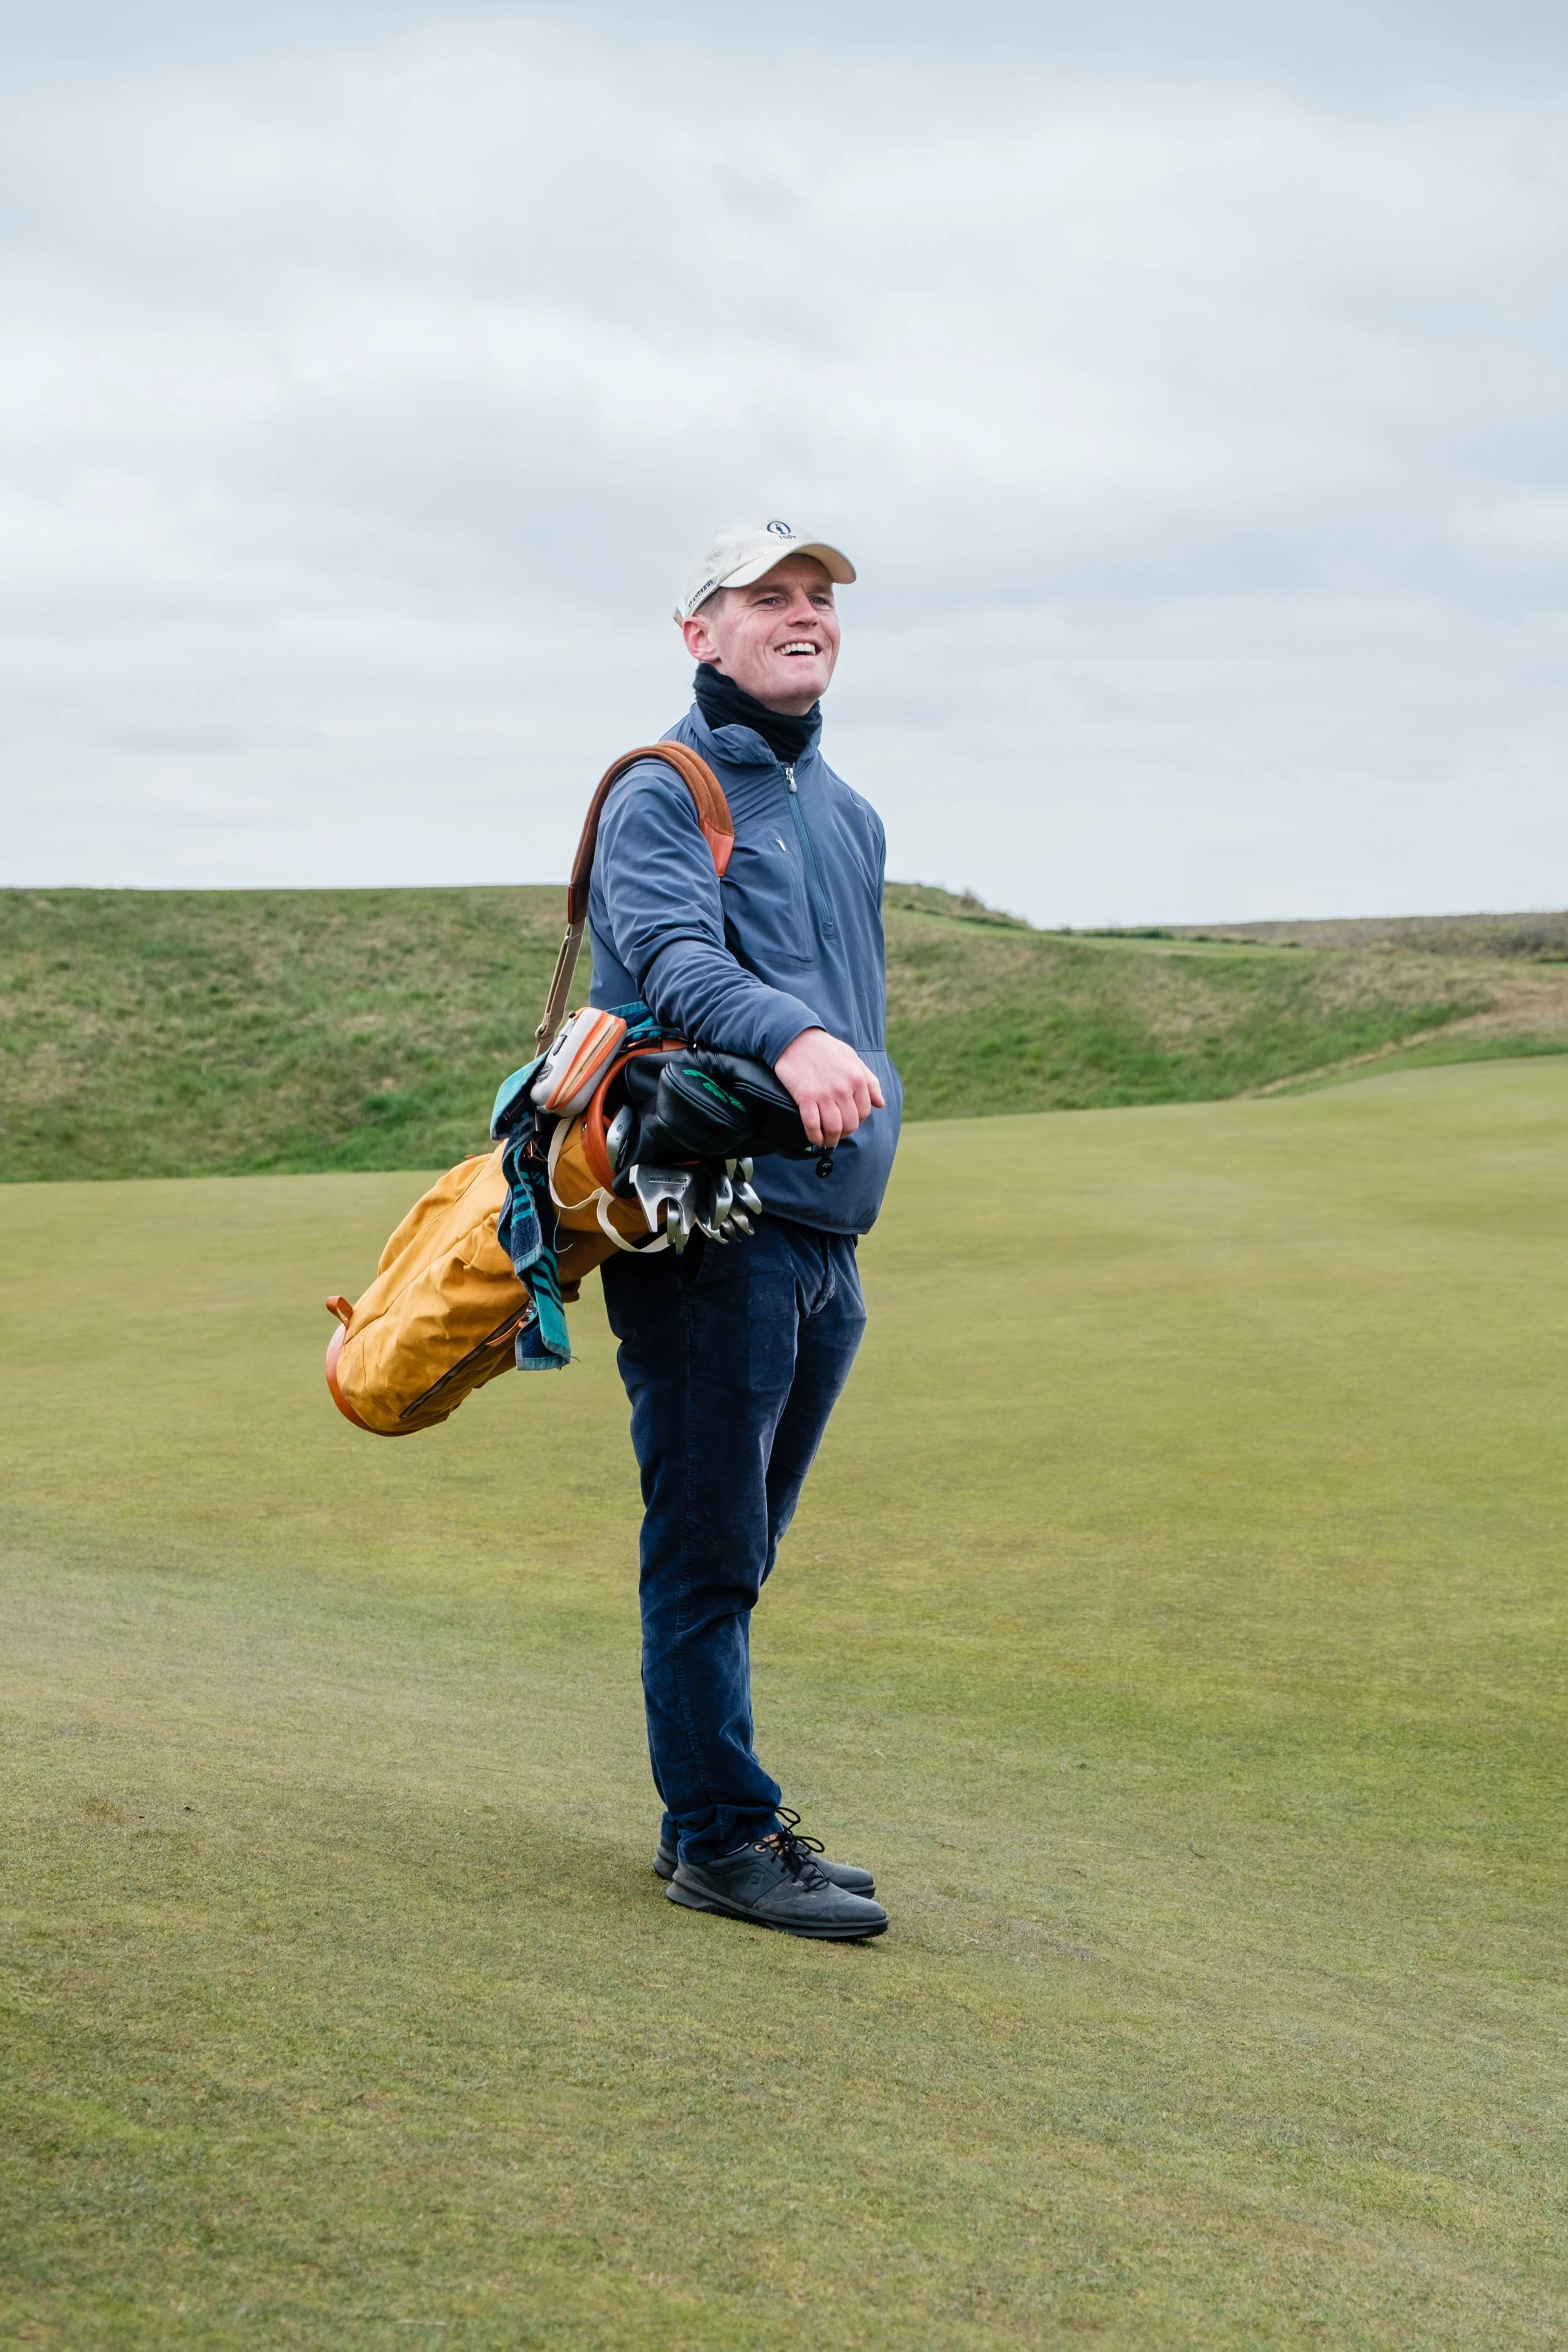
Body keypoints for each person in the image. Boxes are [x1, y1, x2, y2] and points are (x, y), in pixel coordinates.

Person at [588, 519, 902, 1941]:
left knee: (744, 1550)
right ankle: (717, 1836)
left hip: (823, 1236)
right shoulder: (667, 788)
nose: (800, 615)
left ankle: (715, 1812)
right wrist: (794, 1040)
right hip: (712, 1226)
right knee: (708, 1549)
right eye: (764, 597)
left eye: (816, 597)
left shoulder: (847, 811)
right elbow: (669, 958)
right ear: (695, 633)